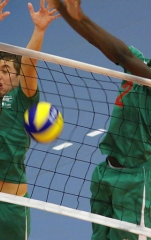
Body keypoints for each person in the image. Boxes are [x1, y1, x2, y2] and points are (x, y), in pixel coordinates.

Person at [46, 0, 151, 239]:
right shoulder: (140, 64)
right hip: (106, 172)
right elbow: (102, 43)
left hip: (137, 182)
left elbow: (122, 55)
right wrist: (69, 11)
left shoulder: (142, 72)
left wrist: (82, 17)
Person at [0, 0, 60, 240]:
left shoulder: (23, 100)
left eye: (6, 70)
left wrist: (39, 30)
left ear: (17, 78)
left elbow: (29, 64)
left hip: (9, 205)